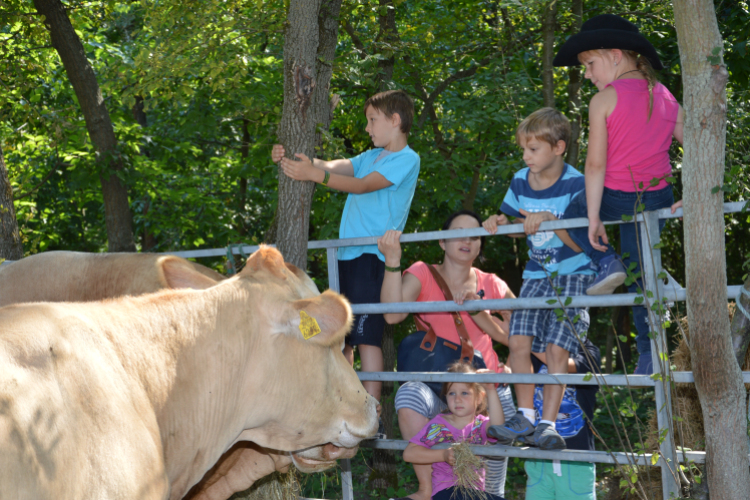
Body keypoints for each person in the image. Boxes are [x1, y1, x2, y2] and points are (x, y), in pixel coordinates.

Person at [552, 14, 684, 374]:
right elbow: (699, 146)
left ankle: (607, 262)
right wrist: (697, 193)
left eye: (590, 65)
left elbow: (595, 166)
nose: (589, 75)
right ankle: (648, 357)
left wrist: (593, 217)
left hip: (618, 197)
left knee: (572, 209)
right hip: (658, 198)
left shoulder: (604, 100)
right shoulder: (665, 95)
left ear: (615, 55)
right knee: (642, 275)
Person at [272, 89, 420, 404]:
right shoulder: (370, 156)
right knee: (343, 333)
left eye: (372, 120)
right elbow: (339, 166)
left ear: (395, 121)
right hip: (346, 254)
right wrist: (299, 161)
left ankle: (372, 410)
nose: (367, 129)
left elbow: (363, 186)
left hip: (372, 255)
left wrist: (316, 176)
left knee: (367, 337)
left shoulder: (407, 158)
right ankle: (341, 404)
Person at [378, 210, 517, 500]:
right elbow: (392, 316)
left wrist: (481, 314)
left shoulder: (491, 283)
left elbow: (521, 335)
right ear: (442, 241)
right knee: (408, 395)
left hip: (484, 389)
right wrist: (392, 262)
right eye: (459, 233)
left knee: (490, 489)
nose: (467, 240)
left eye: (475, 235)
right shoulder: (422, 272)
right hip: (437, 388)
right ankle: (427, 489)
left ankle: (489, 490)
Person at [483, 107, 595, 451]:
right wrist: (502, 224)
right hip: (536, 273)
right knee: (518, 343)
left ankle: (548, 424)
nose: (525, 156)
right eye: (523, 149)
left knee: (556, 348)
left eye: (533, 149)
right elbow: (519, 229)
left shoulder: (578, 184)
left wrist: (550, 220)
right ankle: (526, 416)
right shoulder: (520, 180)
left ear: (558, 148)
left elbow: (587, 242)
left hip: (574, 273)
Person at [402, 361, 509, 500]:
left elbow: (498, 427)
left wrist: (491, 389)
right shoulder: (440, 426)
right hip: (446, 491)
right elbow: (409, 453)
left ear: (479, 397)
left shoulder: (480, 424)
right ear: (445, 397)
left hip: (473, 493)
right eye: (452, 393)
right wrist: (443, 455)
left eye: (465, 393)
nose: (457, 399)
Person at [518, 338, 602, 500]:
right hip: (538, 458)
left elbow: (561, 364)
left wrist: (527, 342)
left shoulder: (586, 349)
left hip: (576, 460)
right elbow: (515, 356)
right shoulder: (535, 349)